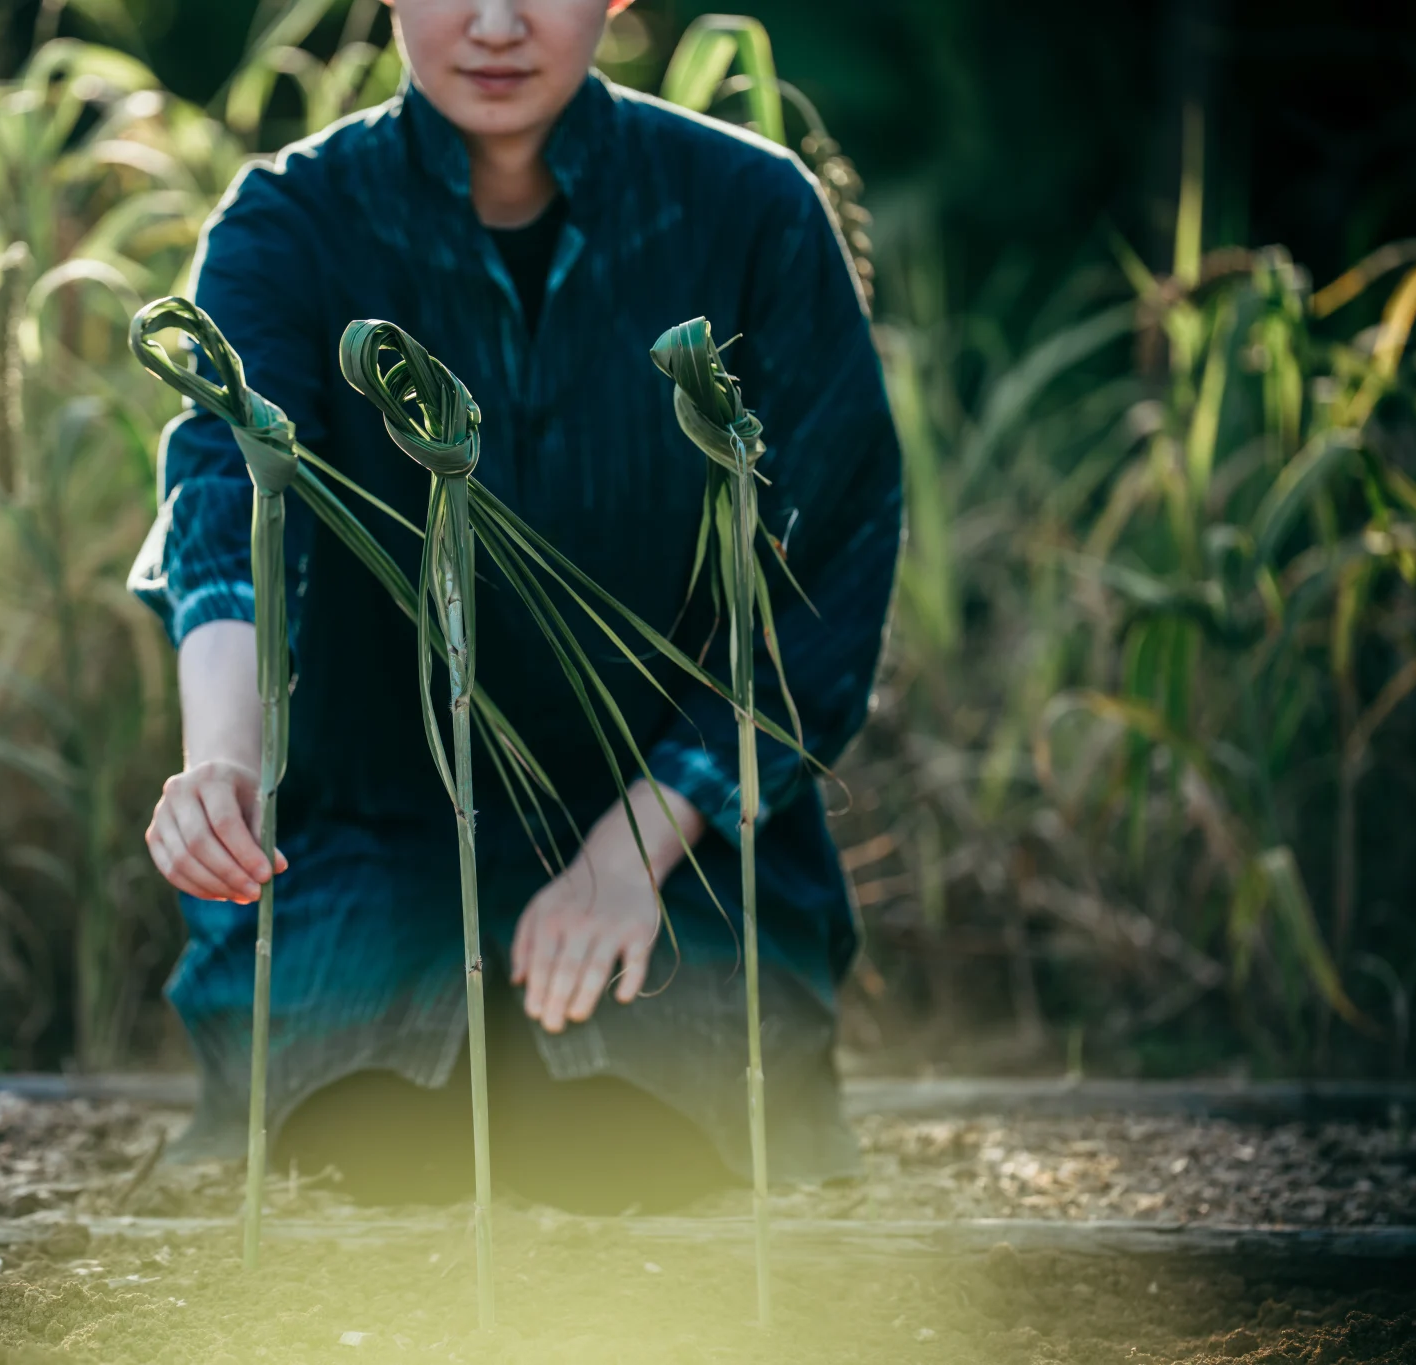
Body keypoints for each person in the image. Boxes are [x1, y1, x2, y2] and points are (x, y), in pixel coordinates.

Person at [128, 0, 901, 1213]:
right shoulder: (290, 220)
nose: (493, 23)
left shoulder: (750, 210)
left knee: (644, 1131)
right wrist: (221, 764)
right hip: (373, 833)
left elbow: (829, 569)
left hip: (678, 842)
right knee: (367, 1134)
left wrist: (632, 846)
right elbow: (231, 488)